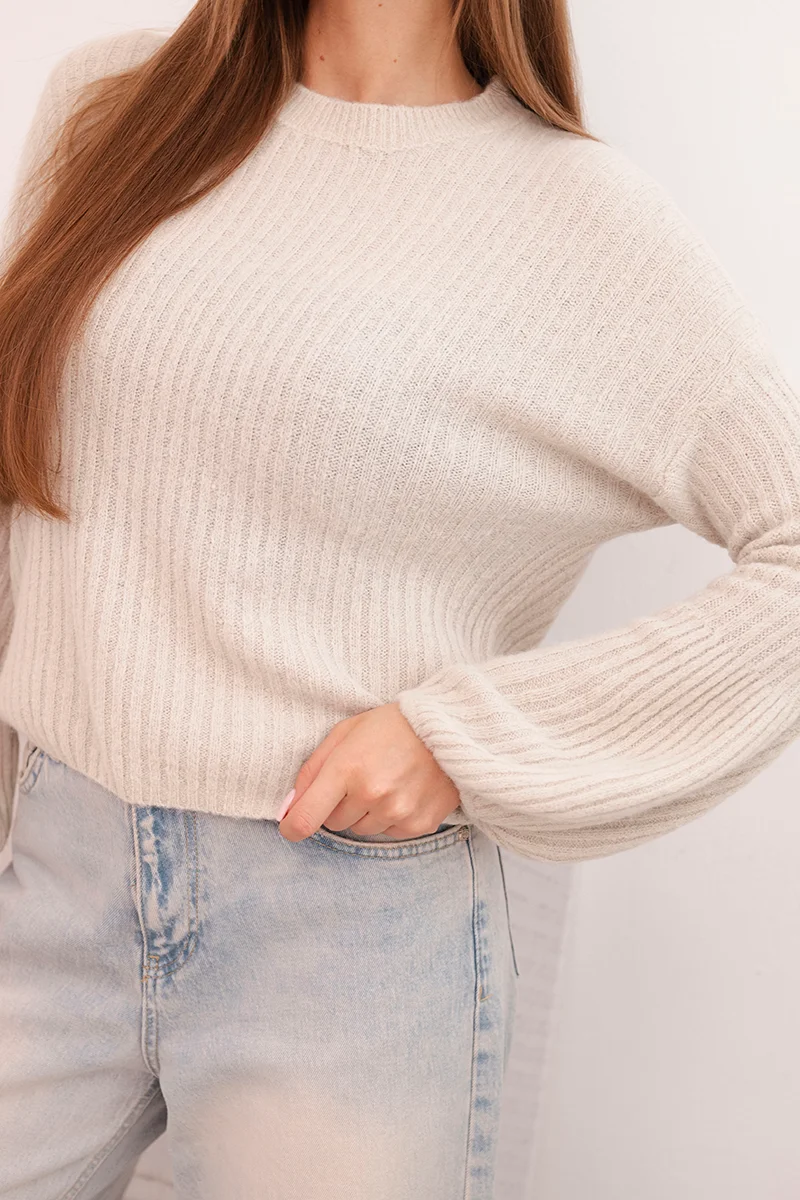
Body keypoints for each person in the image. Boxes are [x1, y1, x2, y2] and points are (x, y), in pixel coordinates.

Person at [0, 0, 797, 1195]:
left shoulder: (577, 223)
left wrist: (461, 739)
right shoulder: (114, 105)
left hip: (342, 938)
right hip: (51, 869)